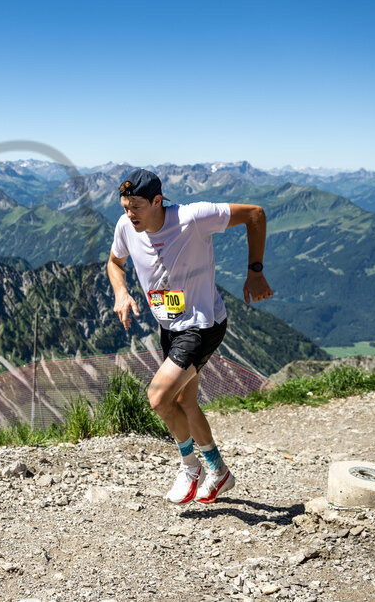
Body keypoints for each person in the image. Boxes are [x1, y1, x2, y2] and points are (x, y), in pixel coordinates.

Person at [106, 168, 273, 504]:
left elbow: (255, 214)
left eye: (136, 207)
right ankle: (219, 471)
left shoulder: (192, 218)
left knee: (158, 398)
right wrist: (120, 292)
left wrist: (255, 271)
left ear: (157, 201)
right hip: (169, 325)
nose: (129, 214)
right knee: (184, 401)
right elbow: (114, 262)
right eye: (125, 207)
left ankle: (190, 466)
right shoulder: (126, 227)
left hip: (202, 324)